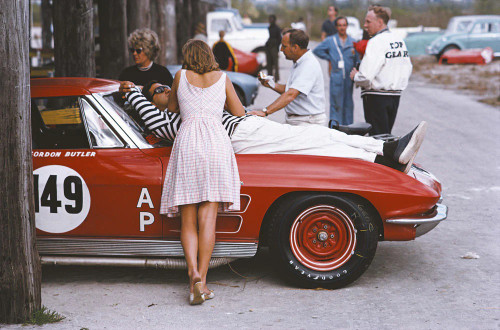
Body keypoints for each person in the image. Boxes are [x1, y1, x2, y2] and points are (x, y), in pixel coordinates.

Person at [119, 80, 428, 174]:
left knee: (317, 136)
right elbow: (153, 120)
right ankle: (384, 156)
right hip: (241, 137)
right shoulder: (169, 120)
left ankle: (385, 150)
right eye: (158, 90)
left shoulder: (184, 109)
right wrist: (133, 92)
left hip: (244, 128)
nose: (166, 90)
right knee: (315, 146)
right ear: (154, 101)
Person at [160, 39, 245, 305]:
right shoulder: (223, 78)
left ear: (187, 56)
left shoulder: (180, 76)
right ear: (209, 55)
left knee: (188, 218)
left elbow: (171, 108)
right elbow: (239, 112)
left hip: (188, 144)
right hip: (216, 144)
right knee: (208, 217)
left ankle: (192, 273)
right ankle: (203, 282)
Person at [350, 5, 412, 135]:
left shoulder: (376, 42)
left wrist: (355, 76)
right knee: (386, 135)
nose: (365, 25)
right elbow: (407, 67)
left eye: (368, 22)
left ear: (380, 22)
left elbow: (365, 77)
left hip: (376, 96)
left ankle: (383, 156)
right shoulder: (398, 40)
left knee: (377, 138)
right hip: (395, 95)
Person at [251, 29, 326, 127]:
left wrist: (265, 111)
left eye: (284, 46)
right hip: (298, 120)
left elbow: (291, 94)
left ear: (295, 47)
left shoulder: (308, 65)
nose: (281, 49)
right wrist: (271, 84)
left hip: (308, 123)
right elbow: (291, 90)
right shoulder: (299, 62)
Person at [314, 16, 359, 126]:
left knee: (348, 103)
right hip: (336, 77)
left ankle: (348, 128)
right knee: (335, 103)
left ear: (347, 26)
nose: (342, 28)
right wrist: (329, 57)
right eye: (340, 25)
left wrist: (357, 73)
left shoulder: (353, 42)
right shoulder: (330, 40)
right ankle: (335, 128)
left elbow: (357, 59)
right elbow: (317, 50)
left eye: (344, 25)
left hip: (349, 78)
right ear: (336, 27)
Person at [265, 15, 282, 81]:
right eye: (269, 19)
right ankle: (269, 78)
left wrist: (277, 48)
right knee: (269, 63)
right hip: (269, 46)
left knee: (275, 63)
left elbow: (279, 39)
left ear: (274, 20)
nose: (270, 20)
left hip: (274, 47)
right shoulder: (269, 27)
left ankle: (276, 78)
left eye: (271, 19)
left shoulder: (277, 28)